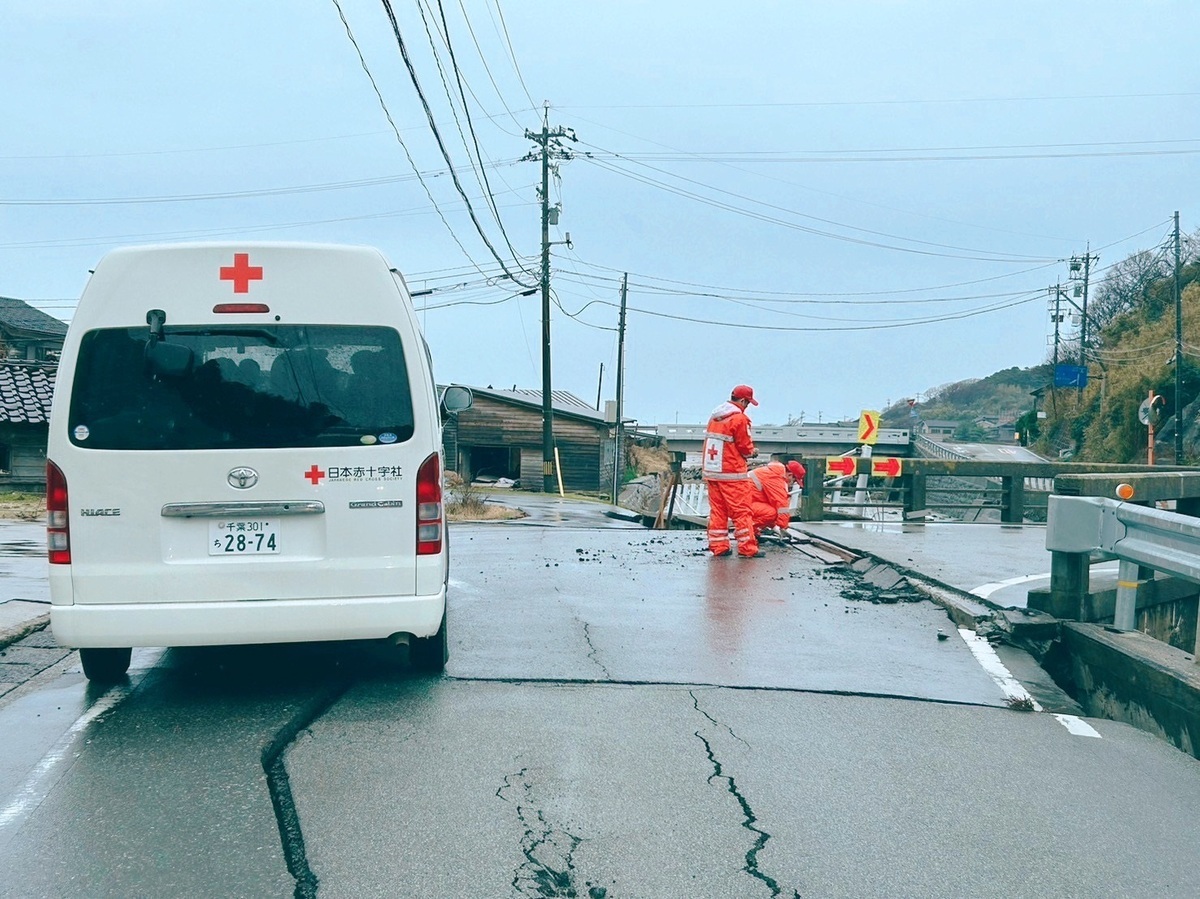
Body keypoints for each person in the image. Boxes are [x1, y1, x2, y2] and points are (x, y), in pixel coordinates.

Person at [702, 384, 761, 558]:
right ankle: (747, 548)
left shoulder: (715, 418)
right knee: (741, 511)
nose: (747, 407)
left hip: (713, 472)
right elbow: (744, 447)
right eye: (748, 403)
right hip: (732, 473)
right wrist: (752, 452)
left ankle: (719, 546)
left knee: (718, 511)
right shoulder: (739, 419)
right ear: (742, 400)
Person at [748, 459, 807, 540]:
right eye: (794, 481)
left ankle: (752, 532)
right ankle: (746, 531)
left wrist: (774, 526)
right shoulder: (776, 479)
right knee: (771, 513)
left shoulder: (773, 473)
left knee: (771, 511)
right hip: (742, 504)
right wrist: (783, 528)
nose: (792, 484)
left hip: (742, 501)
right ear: (790, 475)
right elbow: (781, 507)